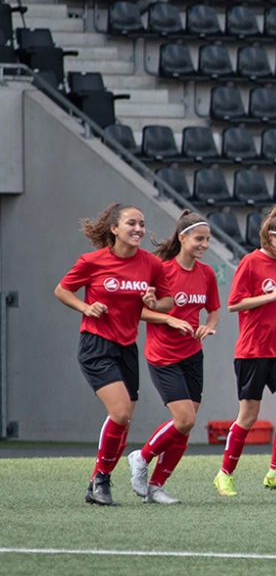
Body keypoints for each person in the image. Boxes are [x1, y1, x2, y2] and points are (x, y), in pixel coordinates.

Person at [54, 203, 171, 506]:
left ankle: (97, 482)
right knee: (120, 412)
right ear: (115, 229)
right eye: (132, 223)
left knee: (125, 418)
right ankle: (102, 480)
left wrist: (154, 302)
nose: (139, 229)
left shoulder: (151, 264)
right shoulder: (92, 261)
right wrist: (86, 307)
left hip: (127, 347)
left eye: (142, 224)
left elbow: (167, 302)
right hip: (96, 346)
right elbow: (62, 290)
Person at [126, 210, 221, 505]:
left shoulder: (206, 274)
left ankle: (156, 486)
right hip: (163, 356)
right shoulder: (161, 270)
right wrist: (167, 319)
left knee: (186, 425)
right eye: (199, 238)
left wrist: (209, 326)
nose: (204, 244)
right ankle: (140, 457)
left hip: (192, 355)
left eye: (207, 239)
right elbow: (139, 311)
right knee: (184, 420)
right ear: (182, 237)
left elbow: (214, 310)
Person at [215, 205, 276, 497]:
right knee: (248, 417)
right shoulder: (251, 263)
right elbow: (234, 304)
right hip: (252, 350)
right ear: (269, 235)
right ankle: (224, 474)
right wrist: (269, 298)